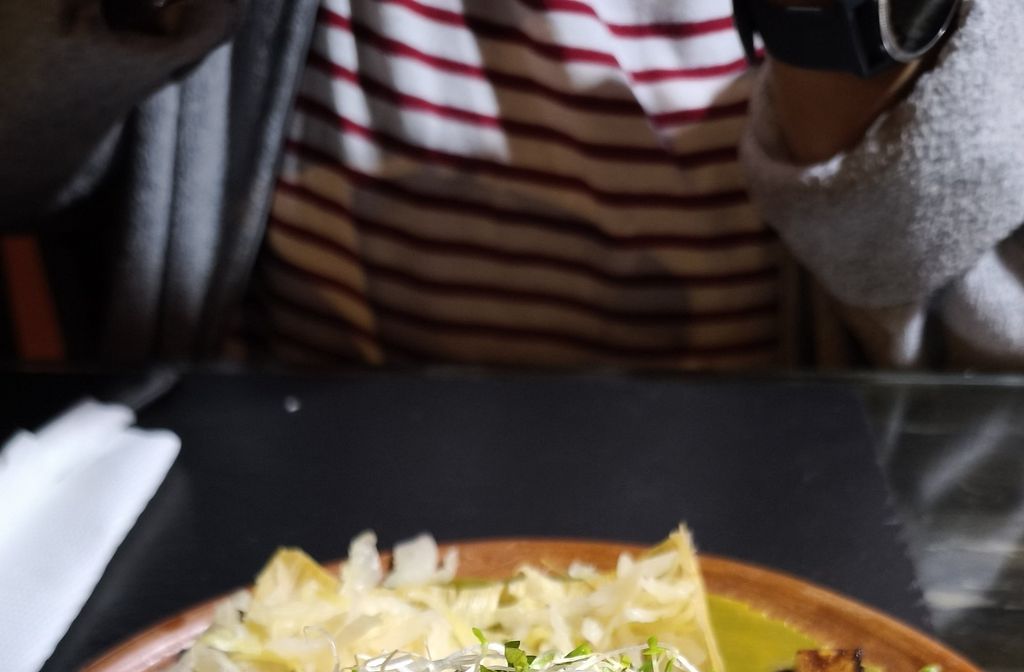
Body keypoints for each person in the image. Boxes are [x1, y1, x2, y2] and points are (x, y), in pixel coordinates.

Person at [0, 1, 1019, 370]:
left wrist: (841, 23)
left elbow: (963, 338)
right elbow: (24, 174)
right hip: (270, 461)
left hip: (763, 485)